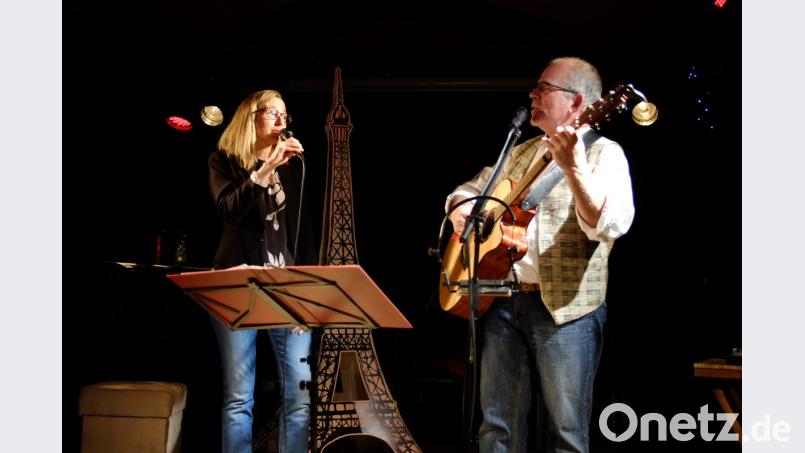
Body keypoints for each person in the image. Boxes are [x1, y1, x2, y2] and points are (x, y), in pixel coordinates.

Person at [445, 57, 635, 453]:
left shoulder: (605, 154)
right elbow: (471, 189)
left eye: (544, 89)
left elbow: (609, 225)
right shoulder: (522, 151)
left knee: (566, 432)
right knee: (497, 427)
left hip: (566, 309)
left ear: (578, 102)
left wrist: (576, 170)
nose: (533, 95)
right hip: (502, 300)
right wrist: (460, 207)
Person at [208, 89, 314, 453]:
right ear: (250, 117)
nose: (282, 120)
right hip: (238, 285)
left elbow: (304, 234)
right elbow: (229, 211)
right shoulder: (224, 161)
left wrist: (306, 296)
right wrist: (266, 168)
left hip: (285, 289)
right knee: (239, 396)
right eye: (272, 112)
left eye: (286, 114)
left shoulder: (294, 168)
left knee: (299, 391)